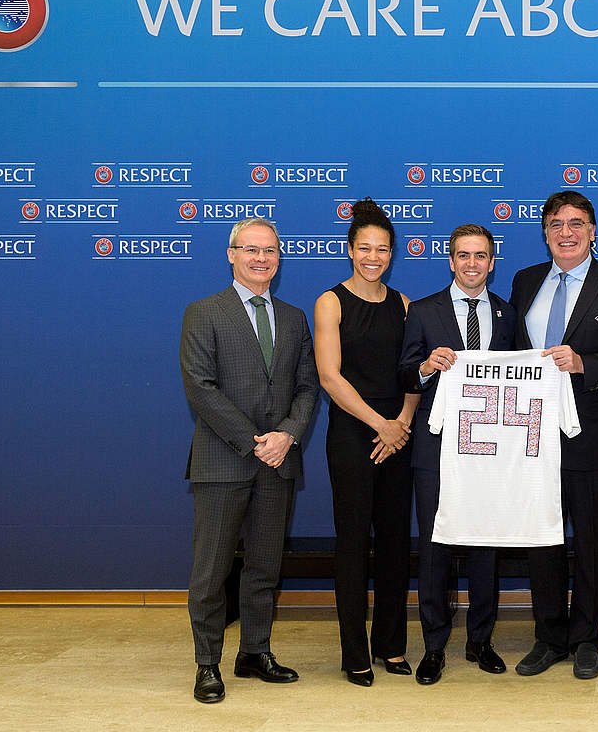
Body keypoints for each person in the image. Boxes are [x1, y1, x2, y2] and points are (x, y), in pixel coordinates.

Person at [179, 217, 318, 704]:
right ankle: (207, 664)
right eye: (252, 249)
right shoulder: (203, 312)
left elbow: (307, 387)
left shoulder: (295, 317)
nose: (262, 259)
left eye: (271, 251)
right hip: (223, 461)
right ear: (231, 254)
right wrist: (255, 438)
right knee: (212, 571)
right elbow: (200, 387)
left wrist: (287, 435)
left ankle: (254, 652)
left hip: (278, 462)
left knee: (264, 566)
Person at [508, 191, 598, 680]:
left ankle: (586, 636)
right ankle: (550, 636)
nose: (566, 232)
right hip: (531, 436)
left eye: (577, 223)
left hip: (593, 434)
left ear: (592, 230)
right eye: (557, 224)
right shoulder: (524, 282)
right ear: (544, 232)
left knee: (590, 539)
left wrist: (585, 363)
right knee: (541, 539)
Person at [398, 223, 517, 685]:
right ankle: (433, 646)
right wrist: (427, 367)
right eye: (463, 255)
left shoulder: (508, 315)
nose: (472, 264)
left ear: (492, 261)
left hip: (490, 451)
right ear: (451, 261)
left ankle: (480, 641)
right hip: (436, 449)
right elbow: (404, 376)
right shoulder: (423, 311)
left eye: (481, 256)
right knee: (435, 549)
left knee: (487, 545)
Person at [313, 199, 420, 686]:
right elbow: (330, 377)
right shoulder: (330, 302)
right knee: (354, 544)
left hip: (399, 434)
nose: (373, 257)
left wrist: (400, 423)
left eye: (382, 249)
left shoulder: (403, 305)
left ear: (392, 253)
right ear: (349, 250)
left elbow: (413, 375)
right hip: (355, 434)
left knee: (397, 544)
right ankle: (354, 651)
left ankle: (391, 647)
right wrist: (380, 424)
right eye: (364, 248)